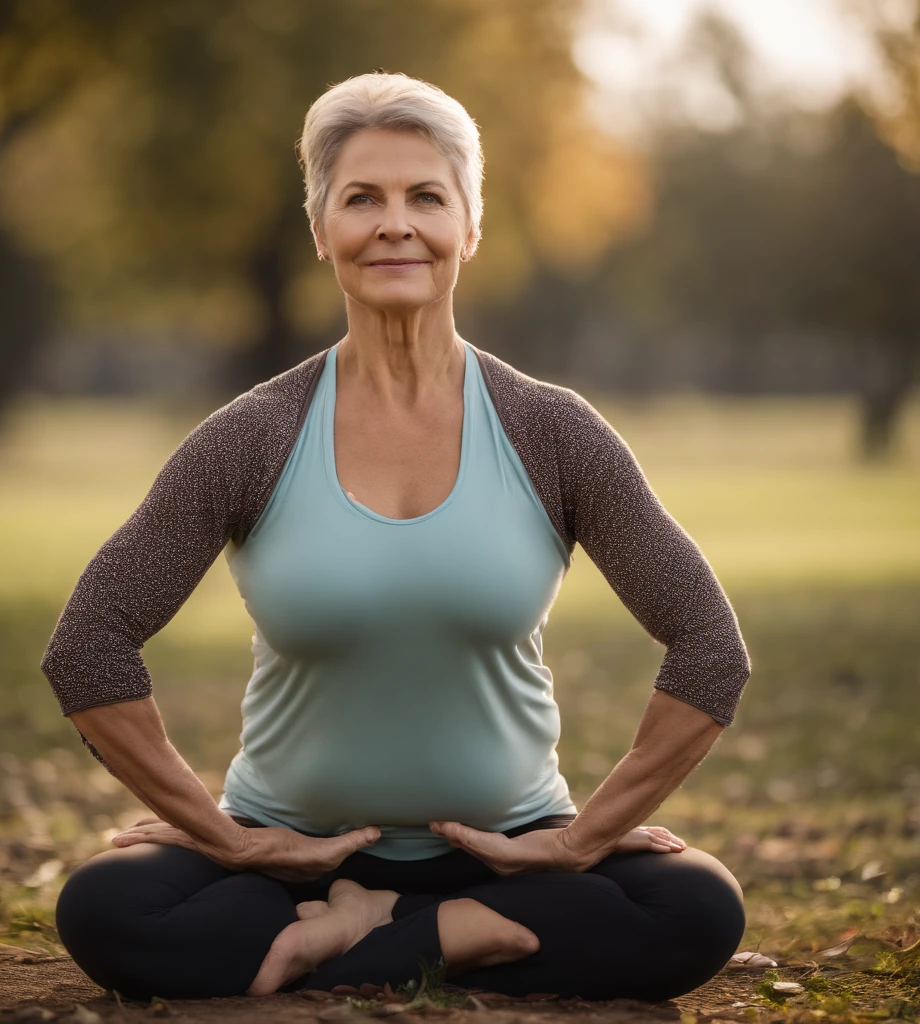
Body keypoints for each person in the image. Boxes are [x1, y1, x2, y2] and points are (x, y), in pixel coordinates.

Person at [42, 70, 751, 1004]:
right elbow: (89, 645)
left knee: (698, 907)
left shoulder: (553, 432)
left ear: (469, 223)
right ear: (321, 229)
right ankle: (443, 943)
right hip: (288, 863)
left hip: (508, 859)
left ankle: (387, 936)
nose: (395, 224)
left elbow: (709, 648)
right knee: (104, 905)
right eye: (362, 199)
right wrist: (224, 838)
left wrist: (583, 837)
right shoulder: (253, 436)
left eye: (426, 196)